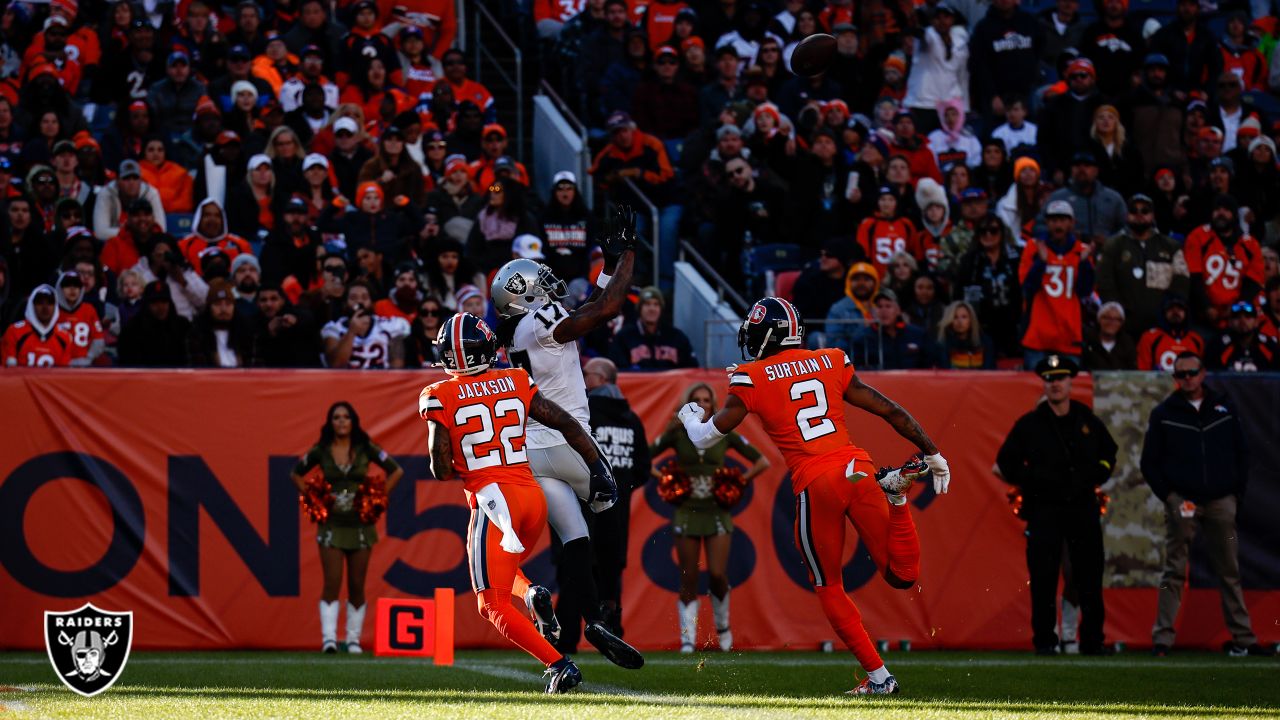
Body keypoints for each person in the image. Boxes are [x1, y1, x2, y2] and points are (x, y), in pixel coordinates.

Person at [678, 296, 951, 694]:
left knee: (827, 584)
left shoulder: (751, 377)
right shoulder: (832, 359)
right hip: (857, 468)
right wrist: (933, 452)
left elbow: (704, 438)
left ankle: (879, 678)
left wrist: (689, 416)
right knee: (901, 575)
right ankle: (896, 497)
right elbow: (889, 410)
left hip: (815, 481)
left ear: (768, 335)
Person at [420, 312, 624, 693]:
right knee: (506, 572)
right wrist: (595, 464)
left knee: (490, 604)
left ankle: (559, 665)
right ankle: (532, 593)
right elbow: (565, 422)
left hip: (494, 503)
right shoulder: (515, 379)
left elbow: (440, 468)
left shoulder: (438, 394)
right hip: (531, 497)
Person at [488, 206, 643, 669]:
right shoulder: (539, 323)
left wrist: (609, 263)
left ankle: (589, 617)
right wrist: (627, 253)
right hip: (569, 440)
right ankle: (606, 609)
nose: (550, 286)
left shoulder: (516, 332)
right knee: (611, 511)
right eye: (540, 284)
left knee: (575, 538)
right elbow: (606, 309)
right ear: (523, 297)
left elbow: (589, 307)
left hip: (531, 452)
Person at [1140, 352, 1273, 657]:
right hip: (1183, 501)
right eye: (1180, 374)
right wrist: (1171, 497)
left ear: (1203, 373)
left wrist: (1233, 495)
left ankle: (1244, 638)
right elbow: (1149, 462)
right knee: (1173, 570)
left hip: (1220, 501)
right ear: (1175, 378)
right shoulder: (1164, 413)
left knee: (1229, 568)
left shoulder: (1224, 408)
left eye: (1191, 373)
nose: (1186, 379)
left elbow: (1243, 453)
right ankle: (1162, 639)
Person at [996, 355, 1117, 655]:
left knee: (1089, 575)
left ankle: (1092, 641)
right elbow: (1005, 461)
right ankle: (1045, 642)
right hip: (1044, 509)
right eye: (1049, 379)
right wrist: (1034, 480)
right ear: (1044, 384)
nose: (1055, 384)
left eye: (1060, 378)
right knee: (1043, 577)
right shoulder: (1030, 424)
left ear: (1070, 381)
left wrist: (1095, 475)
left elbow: (1109, 453)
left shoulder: (1086, 419)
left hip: (1082, 506)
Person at [651, 382, 769, 653]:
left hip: (717, 511)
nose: (702, 404)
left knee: (717, 574)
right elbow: (643, 459)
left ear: (714, 404)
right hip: (686, 510)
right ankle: (688, 639)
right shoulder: (677, 432)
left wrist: (738, 481)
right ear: (688, 404)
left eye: (707, 399)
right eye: (696, 400)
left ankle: (723, 628)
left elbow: (761, 461)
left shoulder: (722, 431)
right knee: (689, 576)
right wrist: (668, 480)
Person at [553, 357, 651, 645]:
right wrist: (620, 486)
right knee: (610, 578)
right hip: (616, 514)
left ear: (602, 379)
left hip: (581, 509)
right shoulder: (632, 419)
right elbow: (643, 469)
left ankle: (567, 640)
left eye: (587, 374)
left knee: (574, 575)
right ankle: (613, 639)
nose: (582, 379)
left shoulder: (585, 412)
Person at [292, 401, 403, 654]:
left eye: (345, 417)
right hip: (331, 523)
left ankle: (353, 640)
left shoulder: (365, 448)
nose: (341, 421)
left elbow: (396, 470)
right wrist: (313, 498)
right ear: (330, 423)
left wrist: (377, 498)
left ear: (353, 421)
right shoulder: (321, 450)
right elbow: (296, 473)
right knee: (331, 581)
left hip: (361, 524)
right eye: (336, 417)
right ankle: (329, 640)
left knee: (356, 584)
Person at [1095, 194, 1189, 339]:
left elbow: (1181, 281)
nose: (1139, 214)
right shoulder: (1113, 245)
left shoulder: (1171, 246)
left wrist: (1169, 311)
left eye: (1144, 211)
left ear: (1152, 215)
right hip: (1123, 328)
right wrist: (1118, 313)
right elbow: (1104, 282)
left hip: (1162, 327)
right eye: (1134, 210)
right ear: (1127, 215)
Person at [1019, 200, 1093, 368]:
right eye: (1053, 220)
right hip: (1038, 334)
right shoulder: (1034, 247)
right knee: (1036, 390)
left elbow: (1084, 291)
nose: (1058, 225)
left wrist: (1084, 264)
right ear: (1047, 223)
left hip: (1069, 334)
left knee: (1068, 390)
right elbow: (1027, 288)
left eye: (1062, 220)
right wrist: (1041, 262)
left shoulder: (1081, 250)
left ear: (1071, 223)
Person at [321, 280, 410, 369]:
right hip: (347, 382)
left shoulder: (390, 326)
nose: (359, 301)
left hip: (381, 381)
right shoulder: (334, 328)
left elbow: (397, 367)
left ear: (372, 304)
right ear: (345, 304)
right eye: (353, 298)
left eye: (364, 298)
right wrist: (352, 332)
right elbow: (336, 365)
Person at [608, 286, 698, 370]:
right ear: (639, 308)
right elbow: (618, 371)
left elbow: (692, 369)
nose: (652, 308)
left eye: (656, 304)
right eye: (647, 304)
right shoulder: (624, 336)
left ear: (661, 309)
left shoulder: (676, 336)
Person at [1, 285, 73, 367]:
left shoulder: (64, 337)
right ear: (31, 305)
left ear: (56, 306)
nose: (45, 307)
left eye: (50, 303)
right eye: (40, 302)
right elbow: (7, 373)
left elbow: (64, 376)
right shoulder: (14, 332)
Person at [1208, 301, 1279, 371]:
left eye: (1248, 317)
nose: (1242, 321)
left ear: (1256, 322)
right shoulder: (1218, 346)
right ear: (1230, 322)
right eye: (1237, 317)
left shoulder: (1269, 346)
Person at [1083, 301, 1137, 370]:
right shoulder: (1087, 341)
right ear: (1099, 319)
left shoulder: (1127, 344)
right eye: (1107, 318)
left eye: (1116, 319)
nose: (1111, 322)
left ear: (1122, 323)